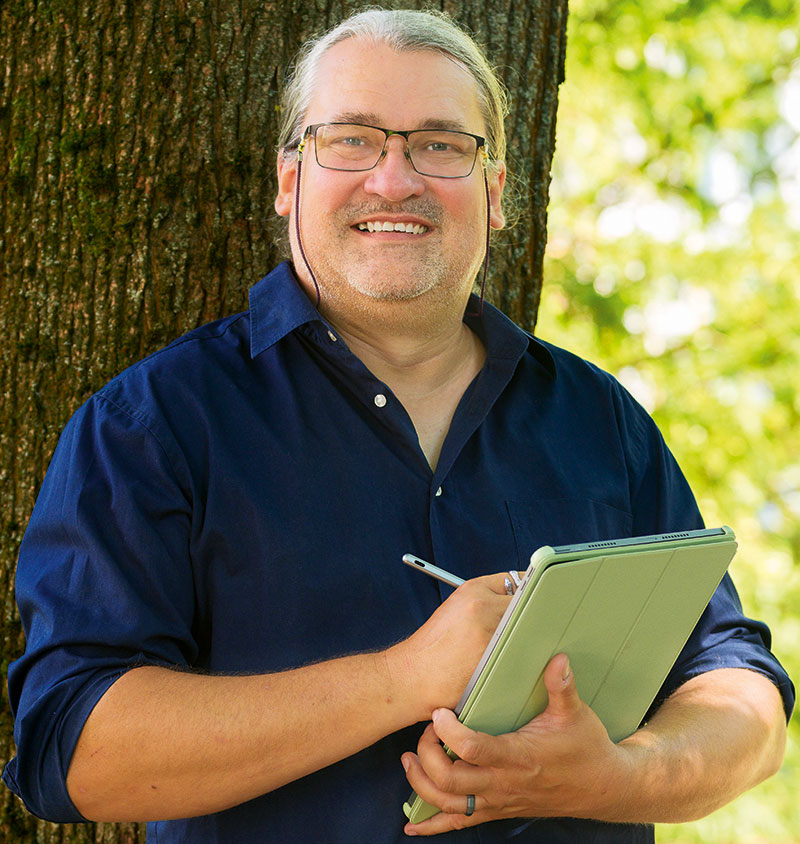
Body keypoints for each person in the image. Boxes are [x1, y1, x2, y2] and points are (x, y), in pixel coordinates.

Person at [3, 8, 793, 843]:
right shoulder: (154, 423)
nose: (393, 180)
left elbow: (741, 695)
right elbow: (71, 750)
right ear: (288, 179)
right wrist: (403, 678)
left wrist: (617, 777)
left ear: (494, 192)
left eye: (441, 145)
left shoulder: (602, 423)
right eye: (351, 139)